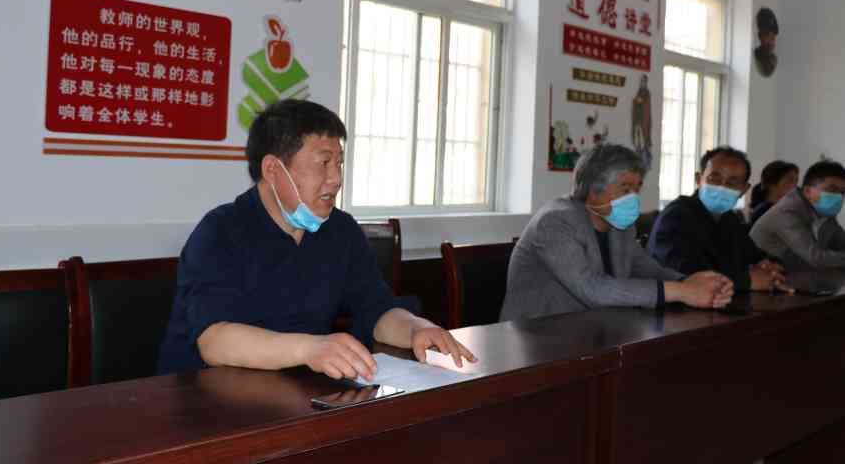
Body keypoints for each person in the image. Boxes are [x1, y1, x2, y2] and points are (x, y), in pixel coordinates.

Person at [158, 99, 475, 380]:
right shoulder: (220, 231)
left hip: (296, 391)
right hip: (203, 399)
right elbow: (215, 340)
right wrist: (309, 349)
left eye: (339, 163)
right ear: (273, 169)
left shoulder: (340, 230)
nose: (336, 179)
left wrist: (417, 328)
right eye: (323, 163)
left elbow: (377, 309)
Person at [500, 144, 733, 322]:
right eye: (626, 188)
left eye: (637, 188)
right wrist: (681, 292)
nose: (634, 197)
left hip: (592, 331)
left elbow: (644, 267)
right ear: (593, 190)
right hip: (534, 340)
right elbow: (592, 288)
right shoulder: (555, 222)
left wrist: (691, 282)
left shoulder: (619, 224)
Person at [647, 146, 790, 293]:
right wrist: (747, 280)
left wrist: (771, 266)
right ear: (699, 179)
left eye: (732, 182)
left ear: (743, 190)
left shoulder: (729, 219)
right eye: (714, 179)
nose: (722, 187)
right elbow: (684, 273)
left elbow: (754, 255)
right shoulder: (676, 217)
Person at [751, 160, 845, 270]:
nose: (838, 196)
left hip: (793, 270)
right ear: (807, 191)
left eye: (842, 192)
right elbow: (815, 258)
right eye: (832, 189)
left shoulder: (823, 210)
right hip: (759, 272)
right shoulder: (787, 211)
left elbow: (840, 241)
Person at [744, 161, 799, 228]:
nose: (795, 186)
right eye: (790, 180)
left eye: (796, 181)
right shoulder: (764, 213)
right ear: (772, 183)